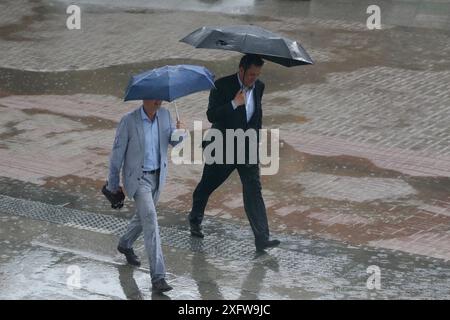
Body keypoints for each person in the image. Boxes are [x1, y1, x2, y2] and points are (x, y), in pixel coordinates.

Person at [188, 54, 280, 252]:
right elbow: (211, 115)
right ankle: (195, 219)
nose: (253, 79)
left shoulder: (259, 87)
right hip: (223, 146)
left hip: (247, 149)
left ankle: (262, 238)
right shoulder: (221, 85)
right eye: (251, 74)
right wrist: (233, 104)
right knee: (207, 185)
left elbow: (256, 117)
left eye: (257, 75)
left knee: (254, 191)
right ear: (241, 69)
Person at [107, 99, 184, 293]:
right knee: (150, 220)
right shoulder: (129, 121)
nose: (158, 101)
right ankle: (158, 277)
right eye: (153, 97)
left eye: (160, 97)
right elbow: (117, 155)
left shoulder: (165, 116)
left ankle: (125, 244)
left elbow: (172, 142)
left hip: (158, 178)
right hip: (138, 179)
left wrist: (180, 133)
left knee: (143, 217)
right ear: (144, 98)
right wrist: (113, 185)